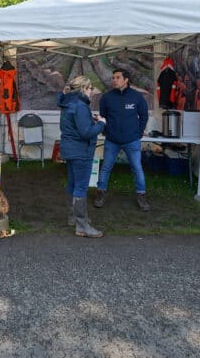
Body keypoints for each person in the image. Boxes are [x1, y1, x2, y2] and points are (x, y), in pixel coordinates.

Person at [57, 76, 106, 238]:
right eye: (90, 88)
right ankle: (82, 225)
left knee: (72, 183)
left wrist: (90, 121)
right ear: (83, 89)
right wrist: (101, 124)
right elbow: (86, 133)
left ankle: (73, 217)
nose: (92, 91)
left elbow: (74, 125)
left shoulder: (68, 103)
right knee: (81, 186)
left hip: (69, 149)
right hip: (81, 151)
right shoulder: (81, 106)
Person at [95, 69, 150, 211]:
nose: (114, 80)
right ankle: (100, 194)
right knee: (106, 167)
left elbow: (144, 116)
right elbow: (103, 117)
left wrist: (138, 134)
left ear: (126, 80)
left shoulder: (137, 97)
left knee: (137, 168)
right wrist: (107, 132)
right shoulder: (106, 98)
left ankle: (141, 196)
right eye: (113, 77)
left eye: (118, 77)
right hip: (112, 141)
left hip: (132, 140)